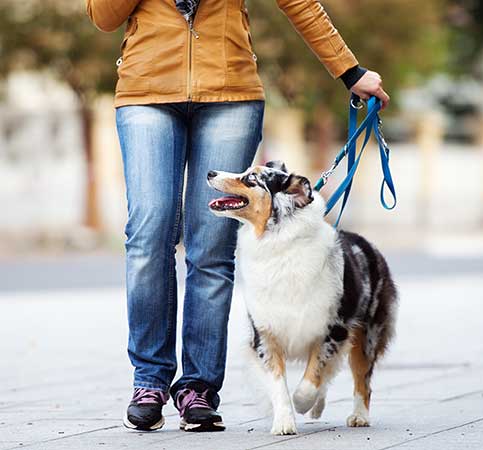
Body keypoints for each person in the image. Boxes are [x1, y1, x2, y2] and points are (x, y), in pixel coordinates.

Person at [85, 0, 389, 433]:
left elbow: (299, 3)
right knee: (148, 235)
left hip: (229, 92)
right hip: (147, 89)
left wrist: (350, 71)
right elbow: (103, 17)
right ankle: (149, 379)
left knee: (211, 244)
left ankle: (199, 388)